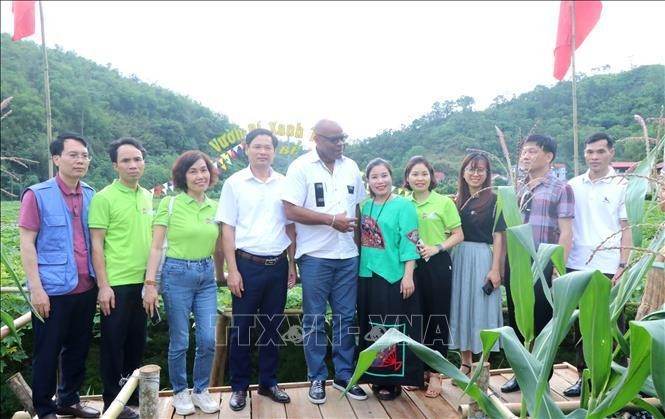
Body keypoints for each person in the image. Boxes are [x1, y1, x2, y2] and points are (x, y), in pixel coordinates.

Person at [280, 119, 368, 404]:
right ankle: (316, 377)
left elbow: (357, 208)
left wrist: (359, 247)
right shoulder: (300, 167)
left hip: (348, 256)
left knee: (346, 318)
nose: (340, 143)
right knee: (314, 320)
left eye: (343, 138)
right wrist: (330, 220)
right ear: (317, 139)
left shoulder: (352, 167)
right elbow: (290, 209)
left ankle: (344, 375)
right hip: (315, 257)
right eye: (334, 139)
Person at [19, 133, 100, 419]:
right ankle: (44, 409)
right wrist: (36, 288)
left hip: (86, 285)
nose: (80, 160)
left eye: (84, 155)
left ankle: (69, 399)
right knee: (47, 351)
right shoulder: (37, 195)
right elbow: (27, 243)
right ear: (56, 159)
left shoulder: (90, 193)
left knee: (78, 348)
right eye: (73, 155)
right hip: (52, 289)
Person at [216, 129, 297, 411]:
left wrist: (292, 264)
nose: (263, 151)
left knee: (272, 328)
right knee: (241, 329)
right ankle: (239, 387)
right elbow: (227, 227)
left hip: (278, 266)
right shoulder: (234, 183)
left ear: (274, 152)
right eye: (257, 146)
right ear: (246, 148)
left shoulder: (285, 184)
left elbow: (290, 226)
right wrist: (232, 270)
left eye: (268, 147)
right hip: (246, 265)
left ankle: (268, 382)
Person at [143, 151, 224, 414]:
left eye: (203, 170)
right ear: (182, 176)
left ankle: (200, 390)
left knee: (208, 339)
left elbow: (220, 246)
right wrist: (151, 283)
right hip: (176, 275)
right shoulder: (170, 203)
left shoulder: (215, 207)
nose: (200, 175)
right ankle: (180, 391)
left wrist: (223, 273)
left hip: (206, 276)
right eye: (193, 171)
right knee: (180, 340)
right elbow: (156, 248)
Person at [501, 134, 574, 393]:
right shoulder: (515, 188)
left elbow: (566, 231)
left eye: (532, 151)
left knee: (542, 321)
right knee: (518, 320)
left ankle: (541, 375)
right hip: (516, 262)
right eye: (524, 152)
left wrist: (557, 268)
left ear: (548, 156)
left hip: (542, 262)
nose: (525, 156)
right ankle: (520, 374)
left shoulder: (560, 188)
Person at [89, 138, 153, 418]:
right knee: (113, 344)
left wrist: (153, 282)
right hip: (115, 284)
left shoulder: (148, 196)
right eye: (126, 160)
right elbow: (96, 245)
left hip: (143, 284)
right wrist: (103, 286)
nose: (133, 165)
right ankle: (112, 402)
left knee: (136, 342)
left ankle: (131, 395)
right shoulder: (104, 198)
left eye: (137, 159)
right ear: (115, 165)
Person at [564, 132, 631, 396]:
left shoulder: (623, 185)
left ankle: (617, 382)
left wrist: (624, 265)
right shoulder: (573, 185)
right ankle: (584, 377)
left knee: (614, 325)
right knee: (582, 325)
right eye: (590, 152)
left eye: (600, 152)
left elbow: (628, 229)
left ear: (611, 153)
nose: (594, 157)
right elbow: (566, 227)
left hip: (609, 265)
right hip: (577, 264)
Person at [357, 158, 422, 400]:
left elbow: (410, 242)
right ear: (368, 182)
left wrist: (408, 276)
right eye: (374, 177)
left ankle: (392, 380)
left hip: (393, 276)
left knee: (391, 326)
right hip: (366, 275)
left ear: (391, 177)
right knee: (371, 326)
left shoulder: (404, 206)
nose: (380, 181)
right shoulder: (365, 206)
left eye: (384, 175)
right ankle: (373, 376)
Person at [403, 155, 464, 397]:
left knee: (438, 317)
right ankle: (418, 373)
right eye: (415, 174)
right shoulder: (403, 203)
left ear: (431, 177)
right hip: (410, 266)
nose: (420, 178)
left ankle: (437, 375)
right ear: (407, 177)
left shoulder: (443, 203)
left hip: (437, 265)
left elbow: (458, 234)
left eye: (424, 174)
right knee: (415, 319)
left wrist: (437, 247)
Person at [450, 152, 505, 379]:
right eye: (471, 169)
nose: (475, 174)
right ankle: (464, 363)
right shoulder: (454, 201)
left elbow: (500, 236)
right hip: (459, 257)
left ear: (487, 173)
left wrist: (495, 269)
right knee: (461, 306)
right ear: (463, 172)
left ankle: (482, 365)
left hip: (482, 256)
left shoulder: (494, 200)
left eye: (480, 170)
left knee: (483, 309)